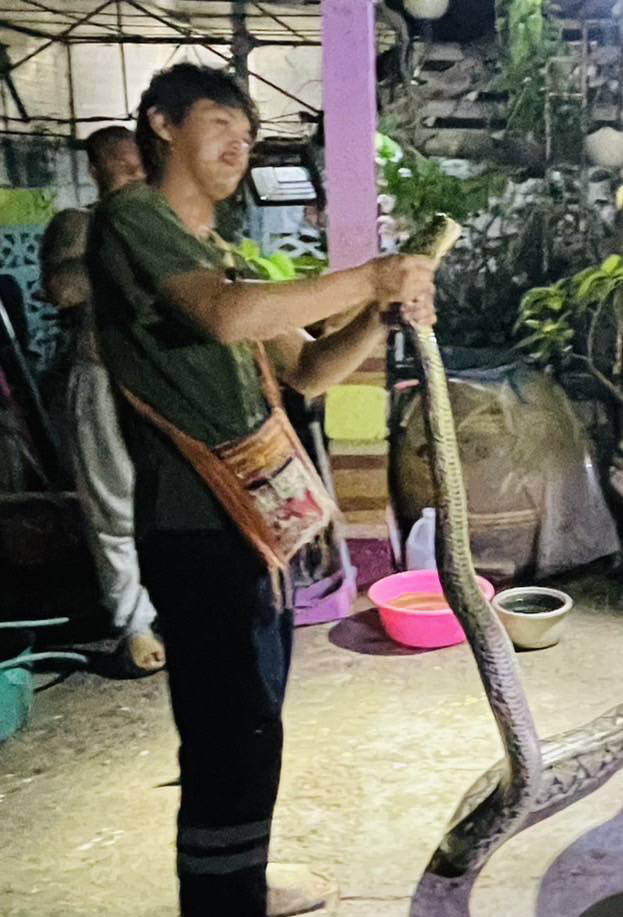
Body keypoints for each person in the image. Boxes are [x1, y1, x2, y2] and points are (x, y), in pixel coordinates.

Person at [86, 63, 436, 916]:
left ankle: (240, 880)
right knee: (226, 733)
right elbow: (225, 315)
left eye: (248, 135)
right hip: (195, 525)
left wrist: (379, 315)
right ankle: (220, 900)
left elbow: (309, 370)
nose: (238, 145)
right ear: (162, 124)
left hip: (252, 527)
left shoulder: (225, 256)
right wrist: (372, 276)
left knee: (251, 722)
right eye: (220, 124)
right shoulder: (134, 218)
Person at [39, 126, 164, 673]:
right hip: (101, 376)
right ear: (94, 171)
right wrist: (117, 240)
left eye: (140, 161)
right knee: (114, 508)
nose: (134, 171)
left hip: (164, 381)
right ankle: (135, 624)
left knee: (173, 503)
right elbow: (63, 290)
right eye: (120, 162)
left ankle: (177, 607)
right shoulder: (79, 224)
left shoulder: (165, 221)